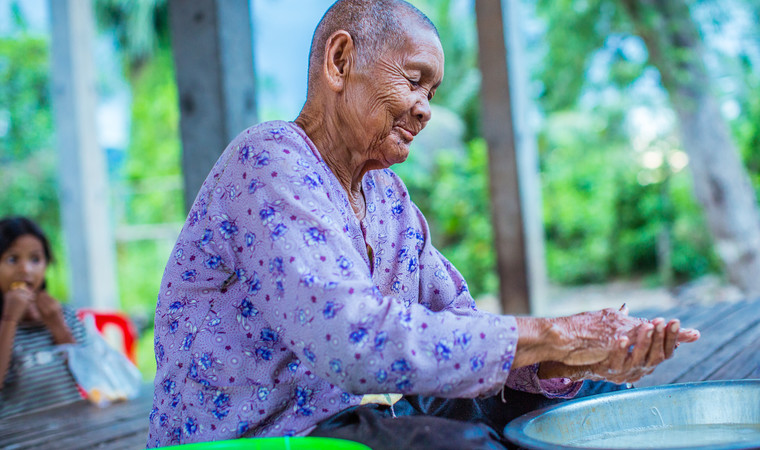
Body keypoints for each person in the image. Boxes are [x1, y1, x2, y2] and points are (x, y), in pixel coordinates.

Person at [146, 1, 700, 448]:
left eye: (431, 93)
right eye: (415, 81)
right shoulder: (269, 160)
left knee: (574, 405)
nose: (426, 109)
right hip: (259, 436)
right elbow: (353, 343)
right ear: (340, 61)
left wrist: (572, 356)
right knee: (465, 446)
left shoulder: (388, 197)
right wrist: (554, 332)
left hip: (341, 423)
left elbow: (456, 325)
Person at [0, 216, 83, 417]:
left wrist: (58, 327)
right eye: (12, 259)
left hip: (71, 428)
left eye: (35, 259)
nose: (25, 270)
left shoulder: (62, 314)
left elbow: (88, 375)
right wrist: (9, 320)